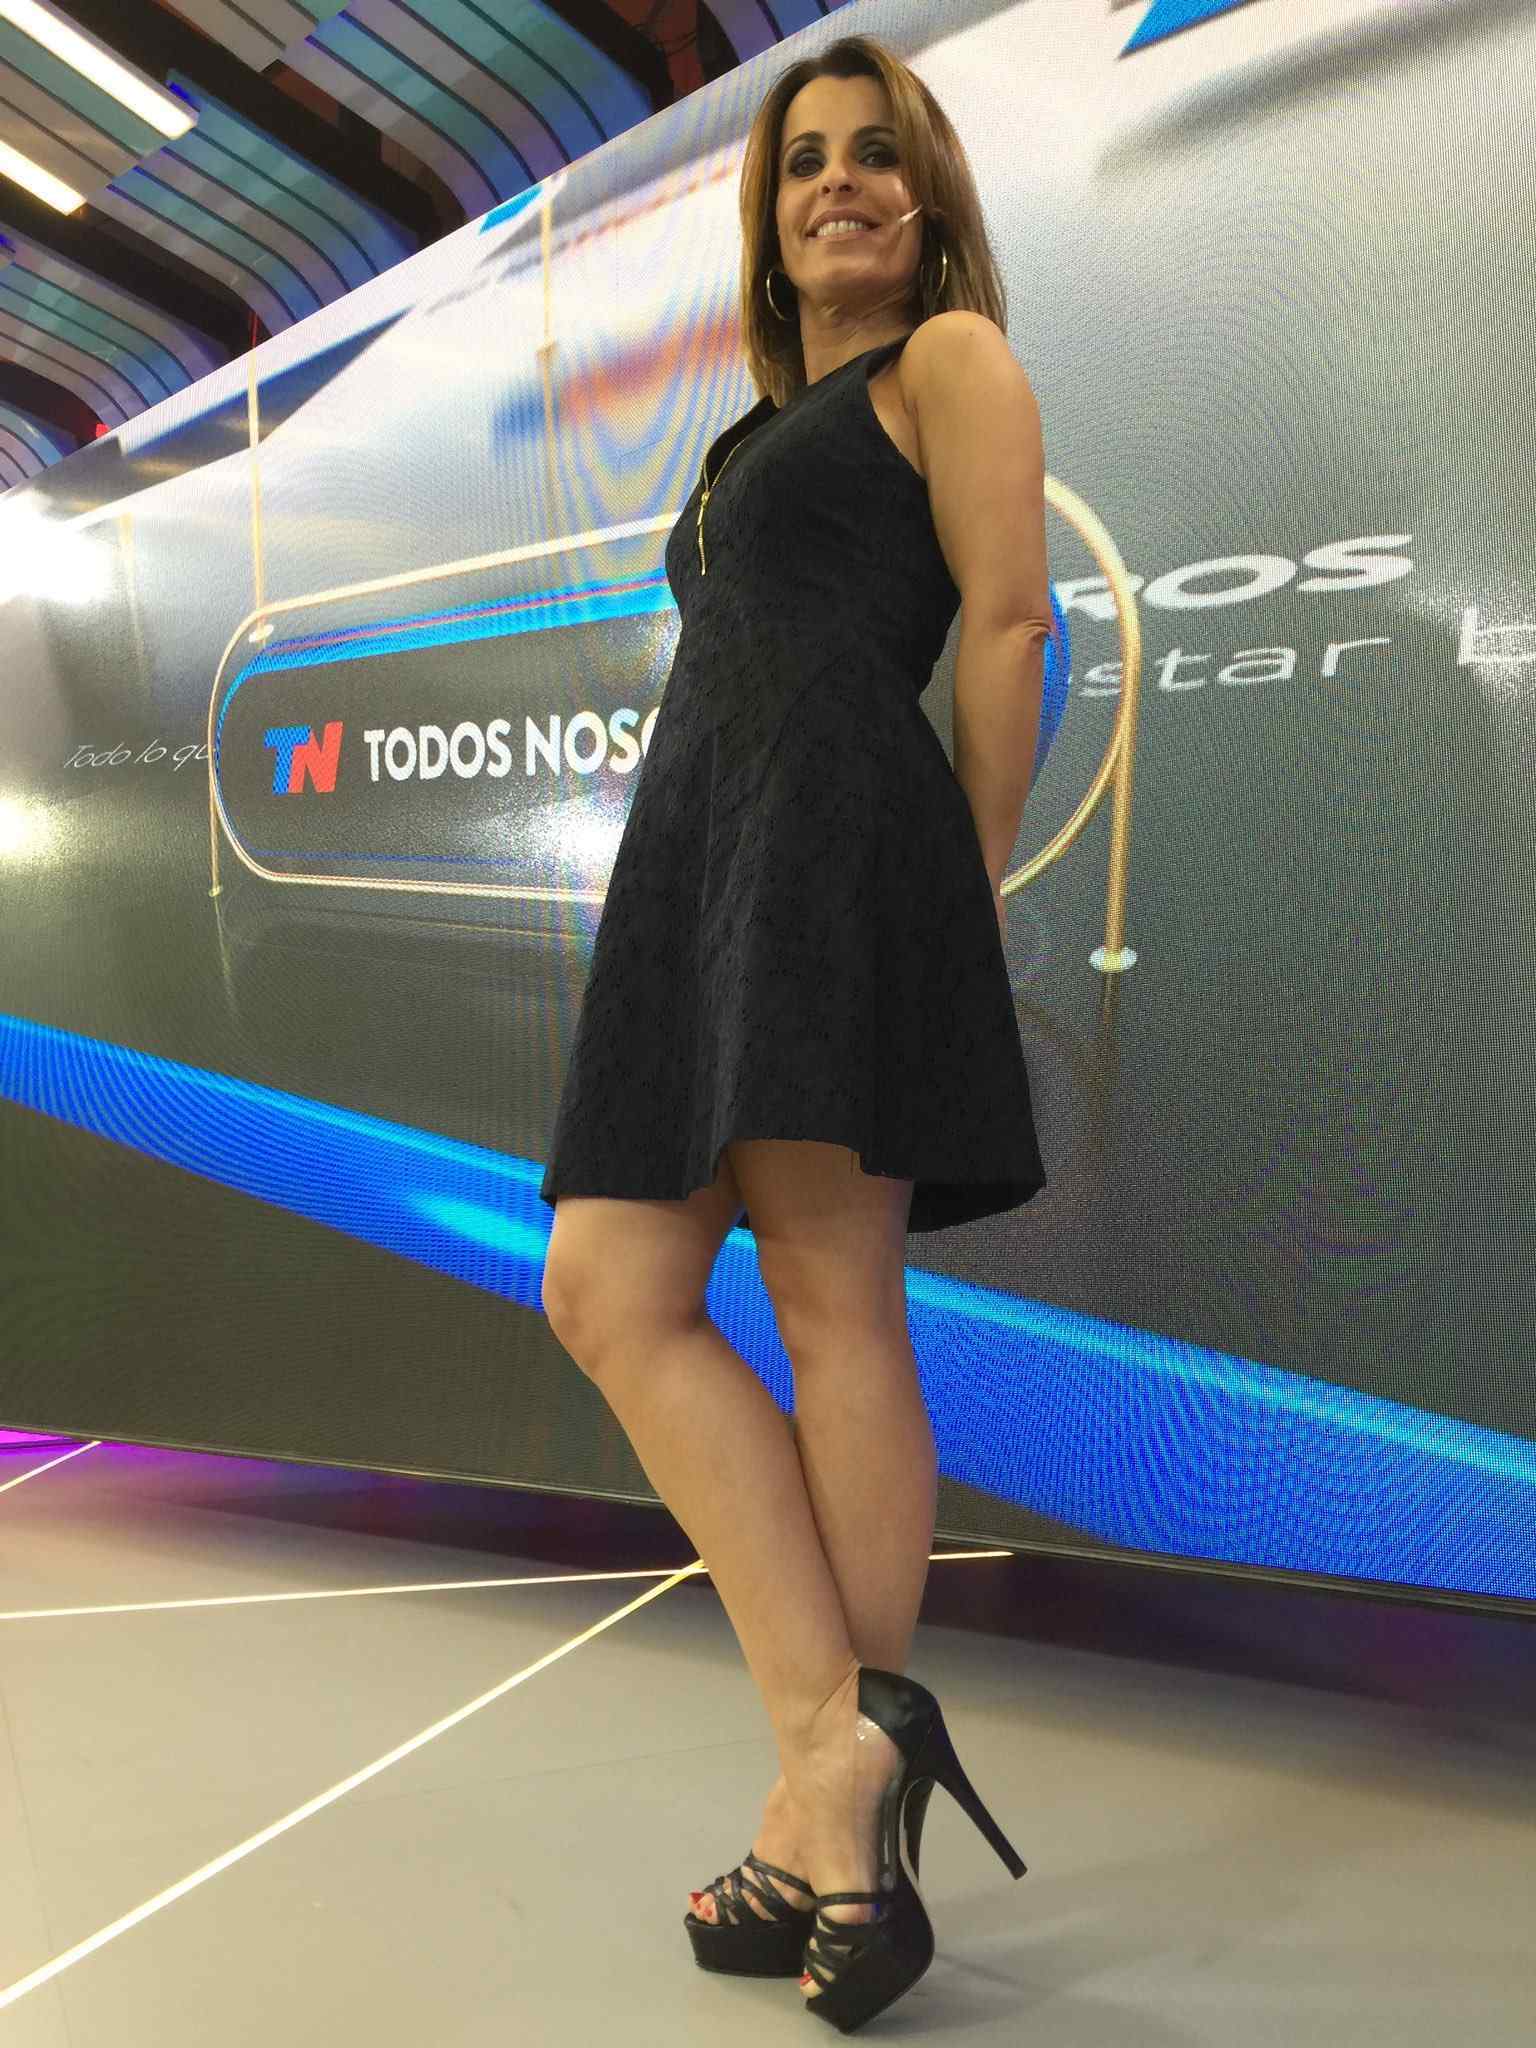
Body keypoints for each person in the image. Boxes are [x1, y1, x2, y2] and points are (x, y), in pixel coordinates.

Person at [539, 30, 1052, 2033]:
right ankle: (839, 1751)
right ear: (769, 219)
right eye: (806, 159)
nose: (839, 179)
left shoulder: (952, 362)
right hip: (704, 857)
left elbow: (1006, 621)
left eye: (876, 153)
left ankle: (819, 1805)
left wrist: (965, 878)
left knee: (837, 1307)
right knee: (608, 1285)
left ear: (927, 200)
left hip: (841, 843)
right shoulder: (761, 430)